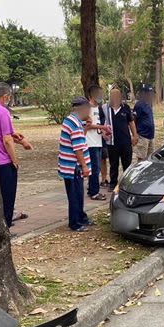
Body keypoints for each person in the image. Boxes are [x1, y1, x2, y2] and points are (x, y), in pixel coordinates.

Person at [0, 83, 32, 229]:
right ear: (5, 97)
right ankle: (6, 228)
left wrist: (19, 140)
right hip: (3, 162)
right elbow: (7, 140)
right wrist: (14, 161)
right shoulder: (2, 111)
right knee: (7, 198)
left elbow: (4, 134)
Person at [59, 97, 92, 232]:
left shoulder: (71, 121)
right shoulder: (75, 123)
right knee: (75, 195)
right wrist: (84, 166)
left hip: (68, 165)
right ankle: (75, 222)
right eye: (88, 109)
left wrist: (86, 127)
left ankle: (81, 217)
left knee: (77, 193)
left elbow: (79, 139)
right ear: (82, 109)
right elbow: (77, 148)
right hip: (73, 166)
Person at [103, 87, 137, 191]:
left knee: (127, 163)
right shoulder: (105, 109)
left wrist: (135, 135)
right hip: (112, 142)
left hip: (125, 142)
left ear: (120, 96)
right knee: (114, 164)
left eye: (117, 95)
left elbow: (131, 122)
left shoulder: (125, 107)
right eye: (113, 95)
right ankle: (113, 183)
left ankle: (126, 184)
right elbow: (101, 123)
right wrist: (104, 133)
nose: (115, 97)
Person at [84, 85, 112, 201]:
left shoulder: (98, 108)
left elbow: (98, 125)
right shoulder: (87, 108)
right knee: (95, 168)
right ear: (92, 95)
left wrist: (104, 132)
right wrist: (103, 127)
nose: (101, 96)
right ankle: (94, 192)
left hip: (98, 141)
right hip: (90, 143)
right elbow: (87, 125)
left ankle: (92, 189)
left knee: (97, 167)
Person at [133, 84, 155, 164]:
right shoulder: (139, 104)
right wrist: (135, 134)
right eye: (150, 93)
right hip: (142, 136)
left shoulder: (150, 104)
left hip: (151, 136)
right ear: (145, 93)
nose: (151, 95)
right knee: (141, 158)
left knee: (150, 158)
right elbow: (134, 120)